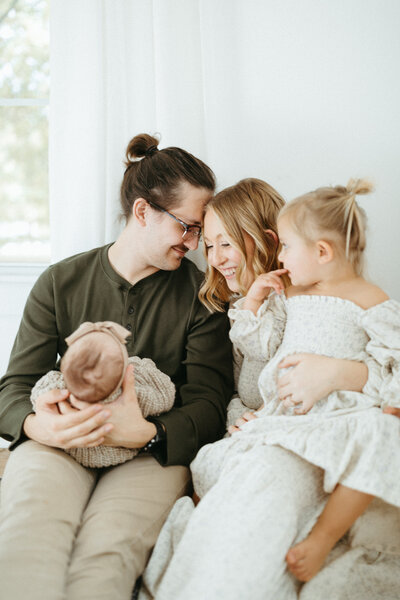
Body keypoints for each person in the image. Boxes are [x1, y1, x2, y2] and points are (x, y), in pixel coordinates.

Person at [140, 178, 400, 600]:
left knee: (368, 444)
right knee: (245, 496)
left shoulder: (365, 299)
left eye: (225, 244)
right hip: (277, 423)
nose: (215, 259)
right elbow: (255, 365)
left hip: (333, 418)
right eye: (210, 246)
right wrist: (252, 305)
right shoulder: (276, 297)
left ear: (319, 252)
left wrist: (344, 377)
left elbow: (393, 365)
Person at [0, 133, 234, 600]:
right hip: (60, 444)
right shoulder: (60, 282)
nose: (193, 244)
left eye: (198, 232)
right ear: (143, 211)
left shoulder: (203, 296)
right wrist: (39, 427)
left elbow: (210, 403)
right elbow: (14, 386)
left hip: (152, 454)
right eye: (187, 227)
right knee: (28, 536)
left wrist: (145, 433)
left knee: (105, 553)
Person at [30, 321, 176, 468]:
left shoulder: (62, 390)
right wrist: (141, 367)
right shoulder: (134, 394)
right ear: (124, 370)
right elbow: (165, 395)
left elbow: (39, 395)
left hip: (75, 451)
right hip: (122, 453)